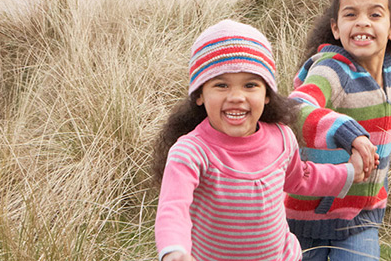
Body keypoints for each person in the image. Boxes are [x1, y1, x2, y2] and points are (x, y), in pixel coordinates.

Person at [151, 19, 360, 261]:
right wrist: (175, 251)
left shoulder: (282, 137)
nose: (237, 97)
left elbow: (300, 178)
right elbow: (173, 207)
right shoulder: (190, 152)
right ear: (200, 94)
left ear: (267, 94)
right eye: (221, 85)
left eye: (250, 85)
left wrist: (348, 173)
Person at [285, 0, 391, 261]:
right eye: (350, 14)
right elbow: (296, 107)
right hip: (306, 217)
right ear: (336, 28)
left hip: (362, 215)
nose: (362, 21)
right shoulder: (332, 70)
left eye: (375, 15)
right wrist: (346, 132)